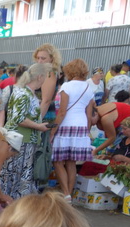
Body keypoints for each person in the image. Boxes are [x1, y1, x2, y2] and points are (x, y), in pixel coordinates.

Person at [0, 63, 51, 202]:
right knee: (16, 174)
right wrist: (39, 126)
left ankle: (14, 204)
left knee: (17, 174)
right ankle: (14, 205)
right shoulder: (24, 93)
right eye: (45, 77)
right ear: (40, 77)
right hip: (20, 141)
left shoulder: (26, 92)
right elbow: (19, 118)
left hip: (23, 140)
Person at [52, 59, 95, 201]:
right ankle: (68, 194)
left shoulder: (67, 86)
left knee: (58, 161)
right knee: (71, 163)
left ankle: (65, 193)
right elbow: (89, 116)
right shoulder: (89, 88)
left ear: (70, 71)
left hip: (66, 126)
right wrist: (87, 133)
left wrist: (53, 131)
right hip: (81, 127)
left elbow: (62, 111)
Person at [32, 44, 61, 121]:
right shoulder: (46, 72)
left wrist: (37, 122)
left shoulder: (49, 73)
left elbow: (46, 101)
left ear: (52, 58)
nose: (39, 61)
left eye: (43, 58)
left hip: (44, 116)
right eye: (38, 58)